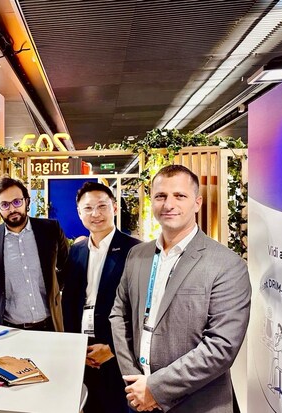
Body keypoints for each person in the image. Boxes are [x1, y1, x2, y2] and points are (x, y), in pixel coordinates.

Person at [109, 165, 251, 413]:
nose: (168, 204)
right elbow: (119, 315)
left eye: (179, 196)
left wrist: (155, 389)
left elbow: (221, 347)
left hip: (196, 403)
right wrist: (135, 382)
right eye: (160, 196)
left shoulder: (227, 264)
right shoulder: (137, 255)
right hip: (138, 396)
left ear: (197, 203)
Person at [62, 182, 141, 413]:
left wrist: (113, 348)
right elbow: (70, 303)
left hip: (116, 350)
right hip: (83, 349)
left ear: (114, 208)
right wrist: (76, 346)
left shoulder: (135, 251)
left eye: (102, 206)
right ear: (79, 213)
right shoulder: (76, 251)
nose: (95, 214)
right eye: (88, 208)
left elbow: (139, 309)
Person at [0, 175, 69, 331]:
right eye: (5, 205)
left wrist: (54, 286)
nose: (12, 209)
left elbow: (67, 265)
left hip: (49, 325)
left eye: (17, 202)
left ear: (27, 201)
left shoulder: (50, 229)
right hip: (8, 329)